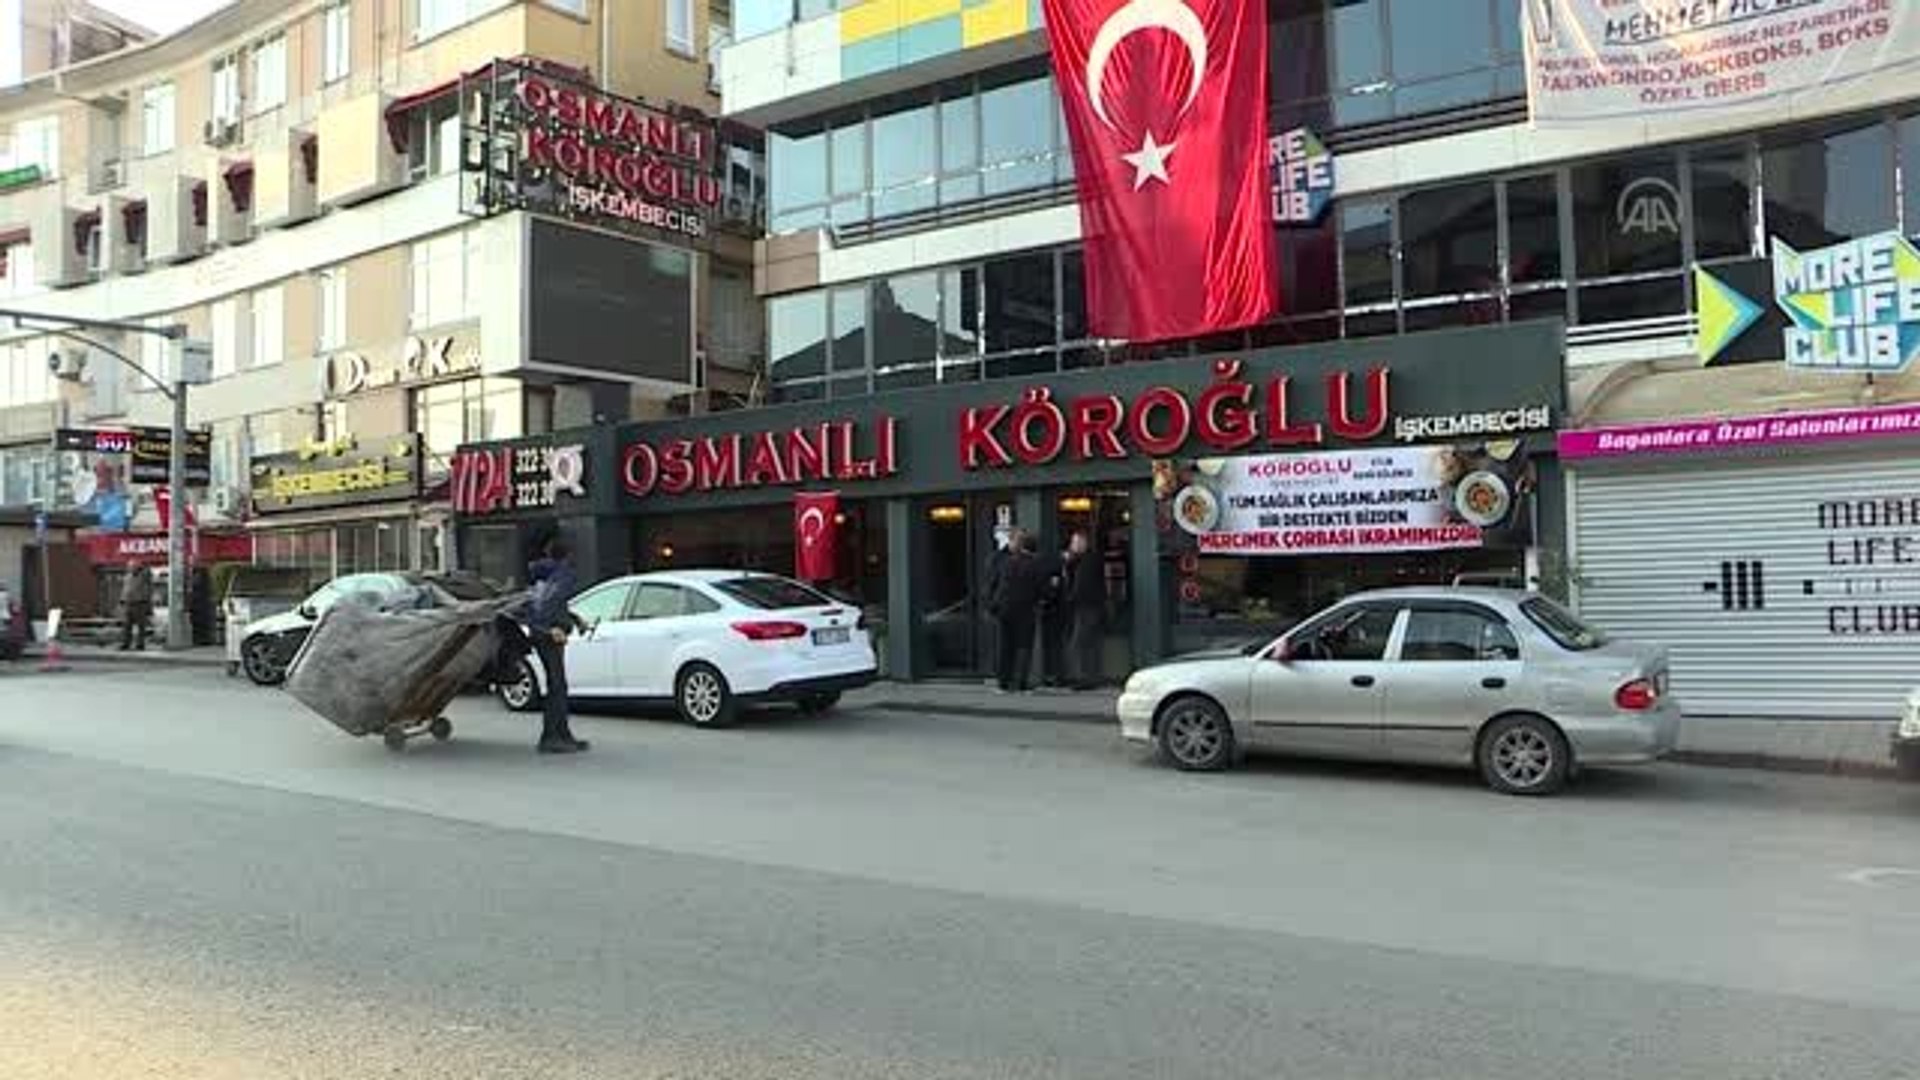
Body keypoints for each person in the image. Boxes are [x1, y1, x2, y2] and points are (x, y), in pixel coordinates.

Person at [526, 537, 591, 754]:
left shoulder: (543, 573)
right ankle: (552, 737)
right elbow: (549, 603)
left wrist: (575, 620)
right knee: (557, 687)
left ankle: (562, 735)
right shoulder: (562, 574)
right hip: (549, 636)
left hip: (544, 633)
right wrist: (551, 628)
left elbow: (543, 602)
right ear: (568, 556)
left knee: (557, 685)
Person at [1064, 531, 1105, 688]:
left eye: (1075, 543)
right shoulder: (1083, 560)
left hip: (1087, 607)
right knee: (1088, 643)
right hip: (1090, 606)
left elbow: (1081, 586)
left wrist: (1070, 599)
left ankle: (1084, 678)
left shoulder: (1088, 561)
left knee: (1080, 643)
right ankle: (1090, 677)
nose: (1072, 546)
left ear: (1083, 543)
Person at [118, 562, 153, 652]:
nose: (131, 568)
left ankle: (140, 644)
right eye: (130, 567)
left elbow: (148, 574)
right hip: (128, 603)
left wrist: (147, 605)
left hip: (139, 603)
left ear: (138, 568)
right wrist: (122, 600)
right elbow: (125, 589)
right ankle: (126, 643)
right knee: (126, 626)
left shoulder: (143, 576)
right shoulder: (127, 577)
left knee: (141, 626)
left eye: (133, 567)